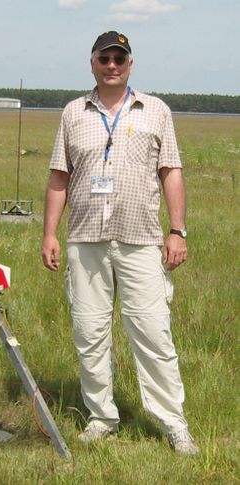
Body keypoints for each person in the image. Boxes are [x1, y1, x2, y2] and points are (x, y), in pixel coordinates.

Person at [41, 31, 199, 455]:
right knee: (90, 332)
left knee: (153, 332)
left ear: (130, 64)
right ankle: (101, 417)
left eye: (119, 59)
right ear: (92, 63)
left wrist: (177, 230)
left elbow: (171, 171)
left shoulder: (156, 111)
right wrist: (50, 233)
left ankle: (173, 423)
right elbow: (60, 176)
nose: (112, 65)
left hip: (140, 238)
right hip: (85, 239)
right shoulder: (73, 112)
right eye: (104, 58)